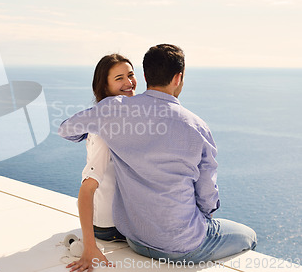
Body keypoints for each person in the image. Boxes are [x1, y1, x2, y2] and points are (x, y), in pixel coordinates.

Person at [59, 44, 257, 265]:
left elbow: (66, 129)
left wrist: (102, 121)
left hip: (135, 238)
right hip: (183, 245)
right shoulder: (196, 126)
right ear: (178, 78)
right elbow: (207, 198)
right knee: (249, 236)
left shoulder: (113, 111)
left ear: (144, 76)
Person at [67, 54, 136, 272]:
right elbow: (87, 188)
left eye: (131, 75)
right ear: (105, 88)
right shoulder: (104, 128)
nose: (128, 82)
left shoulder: (127, 117)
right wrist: (90, 246)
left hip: (121, 220)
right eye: (119, 78)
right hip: (109, 227)